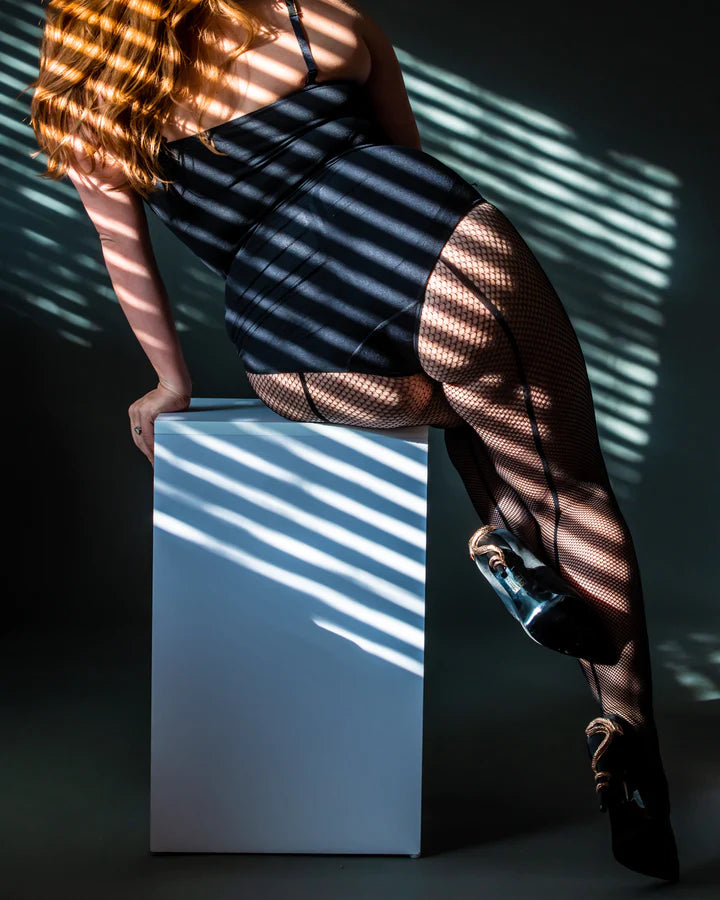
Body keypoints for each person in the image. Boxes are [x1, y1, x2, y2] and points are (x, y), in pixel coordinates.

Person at [28, 0, 679, 881]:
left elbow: (126, 259)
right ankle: (628, 752)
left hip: (301, 352)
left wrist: (172, 382)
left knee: (467, 416)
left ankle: (502, 540)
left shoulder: (94, 98)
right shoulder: (321, 22)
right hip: (446, 264)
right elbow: (408, 171)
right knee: (568, 485)